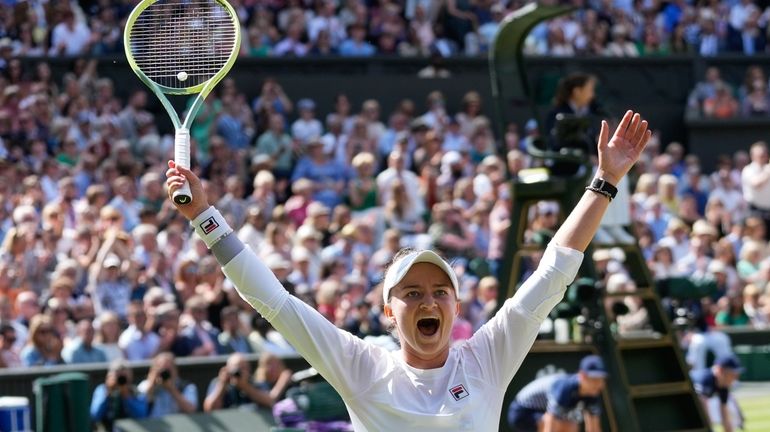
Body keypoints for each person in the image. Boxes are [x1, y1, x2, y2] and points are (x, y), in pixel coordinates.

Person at [166, 111, 651, 430]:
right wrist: (206, 219)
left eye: (440, 291)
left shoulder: (487, 358)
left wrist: (605, 181)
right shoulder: (361, 367)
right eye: (412, 293)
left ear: (456, 306)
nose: (428, 300)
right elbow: (273, 302)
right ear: (387, 313)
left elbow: (553, 272)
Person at [507, 355, 608, 432]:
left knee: (571, 425)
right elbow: (550, 423)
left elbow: (594, 428)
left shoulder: (592, 393)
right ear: (582, 376)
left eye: (601, 379)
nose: (599, 384)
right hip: (522, 411)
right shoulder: (565, 388)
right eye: (594, 379)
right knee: (568, 426)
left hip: (542, 411)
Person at [203, 352, 286, 411]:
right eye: (237, 368)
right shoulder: (218, 383)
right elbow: (209, 408)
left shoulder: (254, 383)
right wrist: (222, 385)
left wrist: (245, 387)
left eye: (244, 368)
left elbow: (270, 401)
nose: (240, 372)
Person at [690, 354, 744, 432]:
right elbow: (704, 414)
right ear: (720, 370)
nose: (735, 378)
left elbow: (725, 417)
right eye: (732, 374)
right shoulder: (705, 380)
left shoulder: (723, 387)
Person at [90, 360, 148, 431]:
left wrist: (126, 396)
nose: (121, 381)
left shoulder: (136, 392)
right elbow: (95, 415)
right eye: (119, 377)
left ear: (131, 377)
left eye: (124, 378)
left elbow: (142, 416)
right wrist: (108, 392)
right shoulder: (102, 390)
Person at [137, 352, 198, 417]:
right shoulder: (145, 385)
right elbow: (137, 409)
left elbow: (191, 410)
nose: (164, 374)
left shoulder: (187, 387)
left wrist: (171, 389)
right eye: (162, 370)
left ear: (176, 370)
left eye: (168, 370)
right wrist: (151, 384)